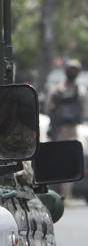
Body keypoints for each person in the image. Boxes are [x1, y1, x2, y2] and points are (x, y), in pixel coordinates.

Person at [46, 59, 86, 197]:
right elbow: (48, 108)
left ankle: (66, 194)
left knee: (71, 162)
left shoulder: (80, 91)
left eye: (75, 70)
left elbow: (82, 110)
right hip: (58, 130)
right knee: (55, 161)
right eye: (71, 69)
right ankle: (52, 192)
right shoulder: (56, 90)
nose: (73, 72)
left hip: (72, 131)